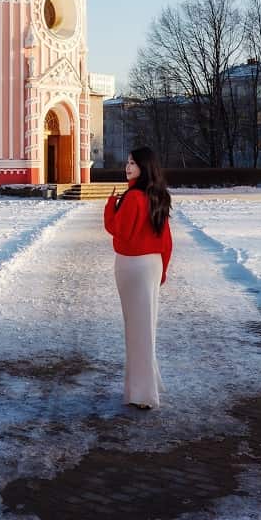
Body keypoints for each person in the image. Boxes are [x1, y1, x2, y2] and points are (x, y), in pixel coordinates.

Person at [104, 146, 172, 410]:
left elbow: (119, 231)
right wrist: (162, 269)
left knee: (136, 331)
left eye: (132, 163)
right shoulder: (158, 196)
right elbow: (166, 240)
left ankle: (143, 394)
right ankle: (145, 385)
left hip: (132, 266)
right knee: (146, 329)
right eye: (127, 163)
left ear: (144, 166)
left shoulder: (133, 198)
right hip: (152, 265)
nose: (127, 167)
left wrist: (111, 206)